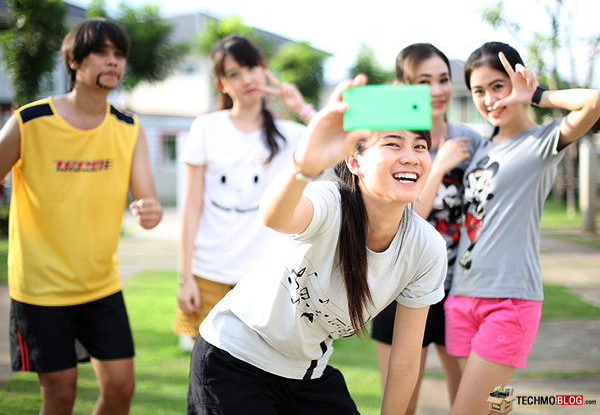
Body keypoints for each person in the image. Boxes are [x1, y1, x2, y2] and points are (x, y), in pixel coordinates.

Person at [186, 74, 448, 415]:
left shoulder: (426, 249)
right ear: (355, 162)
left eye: (420, 146)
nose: (411, 157)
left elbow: (405, 361)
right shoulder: (330, 202)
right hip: (232, 359)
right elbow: (275, 217)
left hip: (306, 374)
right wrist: (303, 166)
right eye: (393, 144)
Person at [0, 18, 162, 414]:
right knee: (60, 394)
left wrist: (150, 213)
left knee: (121, 388)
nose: (113, 61)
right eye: (102, 52)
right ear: (74, 61)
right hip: (40, 287)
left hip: (101, 284)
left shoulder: (129, 128)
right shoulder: (29, 121)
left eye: (119, 54)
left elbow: (149, 206)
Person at [446, 41, 600, 415]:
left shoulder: (540, 141)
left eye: (498, 86)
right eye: (479, 91)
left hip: (509, 299)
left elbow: (593, 102)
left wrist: (538, 95)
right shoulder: (479, 148)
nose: (489, 100)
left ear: (518, 80)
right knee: (489, 410)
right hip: (462, 297)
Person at [174, 34, 314, 346]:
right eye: (234, 74)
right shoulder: (206, 128)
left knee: (259, 368)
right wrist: (185, 278)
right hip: (208, 273)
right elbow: (191, 207)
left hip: (266, 277)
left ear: (264, 69)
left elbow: (345, 152)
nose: (246, 79)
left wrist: (301, 108)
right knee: (205, 367)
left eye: (251, 68)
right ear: (222, 84)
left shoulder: (291, 135)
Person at [370, 43, 482, 414]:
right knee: (401, 404)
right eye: (423, 81)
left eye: (443, 79)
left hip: (459, 291)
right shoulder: (389, 144)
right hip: (400, 288)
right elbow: (403, 220)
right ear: (402, 88)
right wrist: (439, 165)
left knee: (471, 403)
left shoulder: (471, 141)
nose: (437, 90)